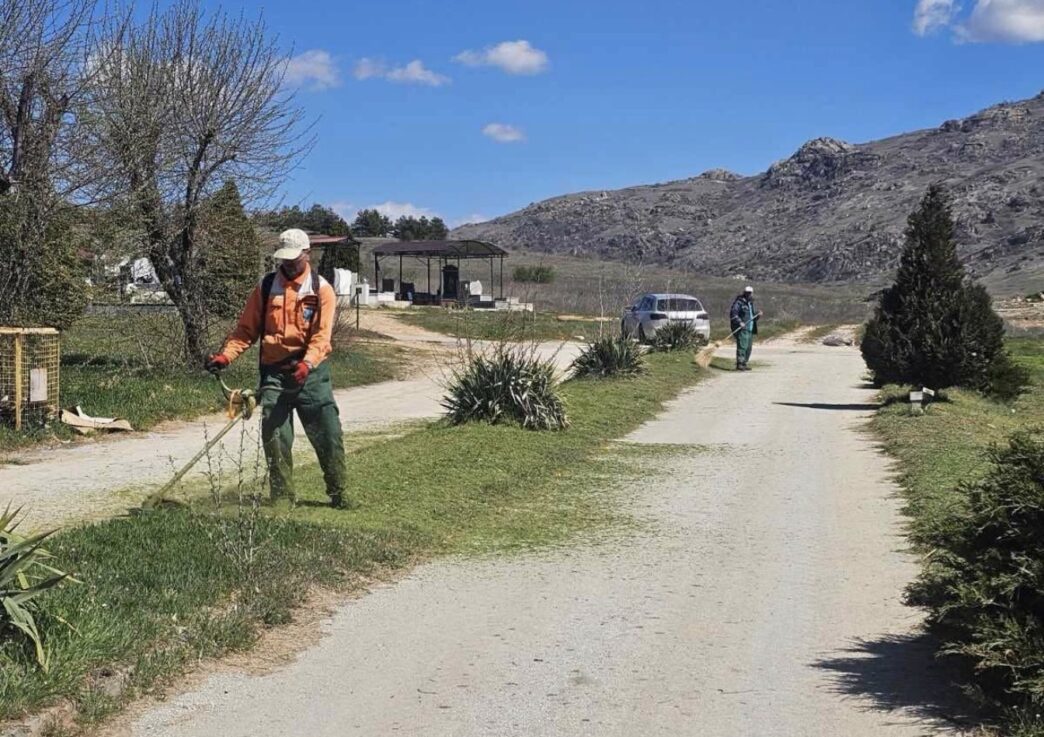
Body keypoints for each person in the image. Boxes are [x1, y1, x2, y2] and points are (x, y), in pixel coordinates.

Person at [206, 229, 349, 509]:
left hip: (312, 375)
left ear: (307, 254)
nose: (288, 264)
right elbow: (246, 330)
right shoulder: (266, 286)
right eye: (284, 259)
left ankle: (339, 493)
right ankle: (282, 497)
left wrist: (307, 364)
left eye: (294, 259)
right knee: (275, 438)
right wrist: (226, 357)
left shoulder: (321, 289)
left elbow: (322, 337)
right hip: (274, 374)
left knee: (328, 434)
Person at [729, 285, 760, 371]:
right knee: (742, 347)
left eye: (750, 293)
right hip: (743, 329)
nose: (749, 295)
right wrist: (740, 322)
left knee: (748, 348)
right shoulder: (739, 303)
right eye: (747, 293)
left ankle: (744, 363)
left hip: (750, 328)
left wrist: (758, 315)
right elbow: (733, 314)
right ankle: (740, 364)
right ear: (744, 293)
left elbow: (752, 317)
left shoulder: (751, 303)